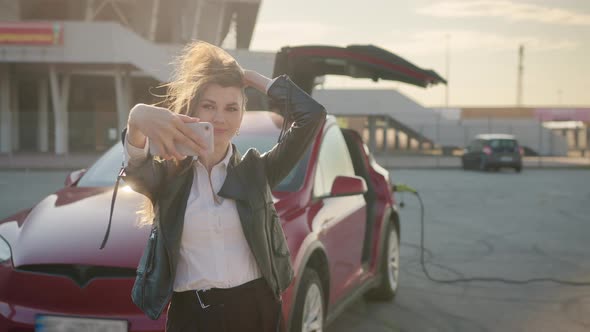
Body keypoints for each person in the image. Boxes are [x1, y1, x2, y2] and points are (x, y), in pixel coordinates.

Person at [105, 41, 326, 331]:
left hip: (257, 310)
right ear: (193, 109)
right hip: (193, 316)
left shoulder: (257, 171)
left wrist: (250, 78)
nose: (220, 118)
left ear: (241, 116)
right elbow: (136, 168)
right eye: (209, 106)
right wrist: (136, 118)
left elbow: (312, 116)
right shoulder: (168, 176)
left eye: (231, 108)